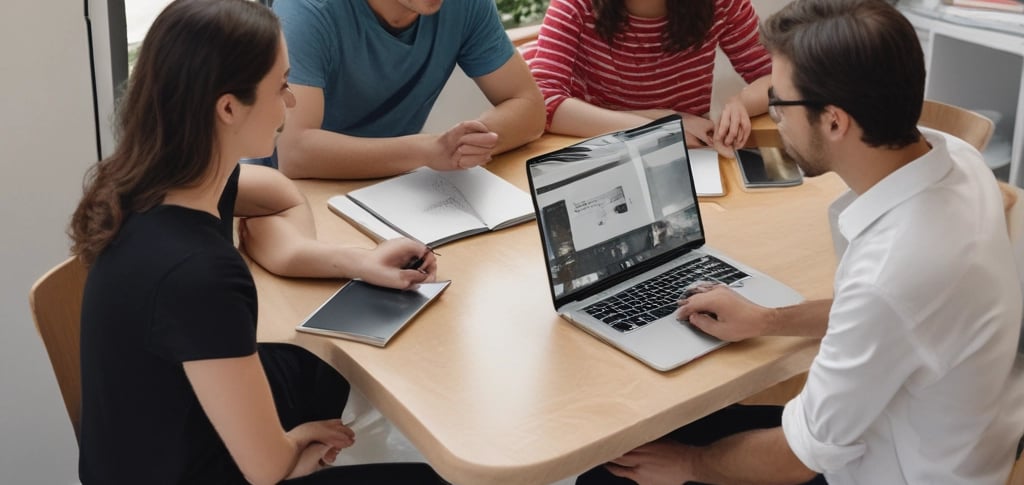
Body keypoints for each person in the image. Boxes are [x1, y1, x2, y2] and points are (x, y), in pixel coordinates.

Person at [576, 0, 1024, 483]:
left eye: (779, 103)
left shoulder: (893, 272)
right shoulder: (959, 160)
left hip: (897, 468)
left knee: (613, 472)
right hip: (952, 433)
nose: (773, 118)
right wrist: (768, 319)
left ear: (834, 121)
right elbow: (891, 312)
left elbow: (796, 458)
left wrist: (687, 464)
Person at [69, 1, 445, 483]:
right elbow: (267, 469)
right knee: (431, 478)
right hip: (192, 469)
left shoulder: (163, 181)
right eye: (282, 85)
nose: (290, 103)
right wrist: (295, 447)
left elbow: (278, 194)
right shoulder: (198, 272)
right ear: (228, 107)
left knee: (324, 367)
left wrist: (361, 261)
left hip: (152, 431)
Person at [268, 0, 546, 179]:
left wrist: (464, 144)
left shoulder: (465, 6)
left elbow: (529, 106)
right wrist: (428, 150)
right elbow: (294, 153)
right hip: (283, 197)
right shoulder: (307, 10)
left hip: (395, 185)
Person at [525, 0, 772, 157]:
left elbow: (779, 76)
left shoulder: (722, 4)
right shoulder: (574, 5)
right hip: (602, 150)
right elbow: (542, 102)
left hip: (689, 151)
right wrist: (660, 127)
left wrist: (740, 103)